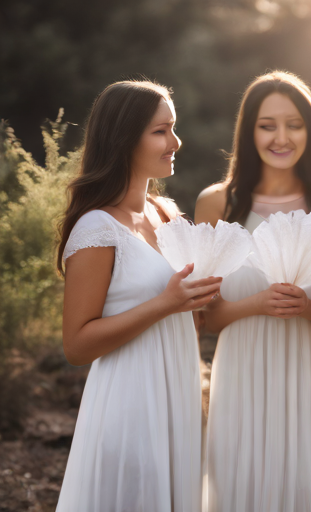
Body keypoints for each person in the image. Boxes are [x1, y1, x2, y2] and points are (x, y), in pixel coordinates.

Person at [195, 71, 311, 512]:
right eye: (267, 125)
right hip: (241, 375)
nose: (281, 137)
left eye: (294, 123)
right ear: (248, 131)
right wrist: (255, 303)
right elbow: (208, 317)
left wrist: (308, 306)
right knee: (240, 490)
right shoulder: (216, 204)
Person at [55, 80, 222, 512]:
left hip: (178, 394)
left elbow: (187, 313)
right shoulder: (97, 227)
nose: (175, 141)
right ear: (124, 138)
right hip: (131, 401)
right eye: (161, 131)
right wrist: (165, 303)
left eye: (174, 128)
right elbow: (77, 344)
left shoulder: (166, 213)